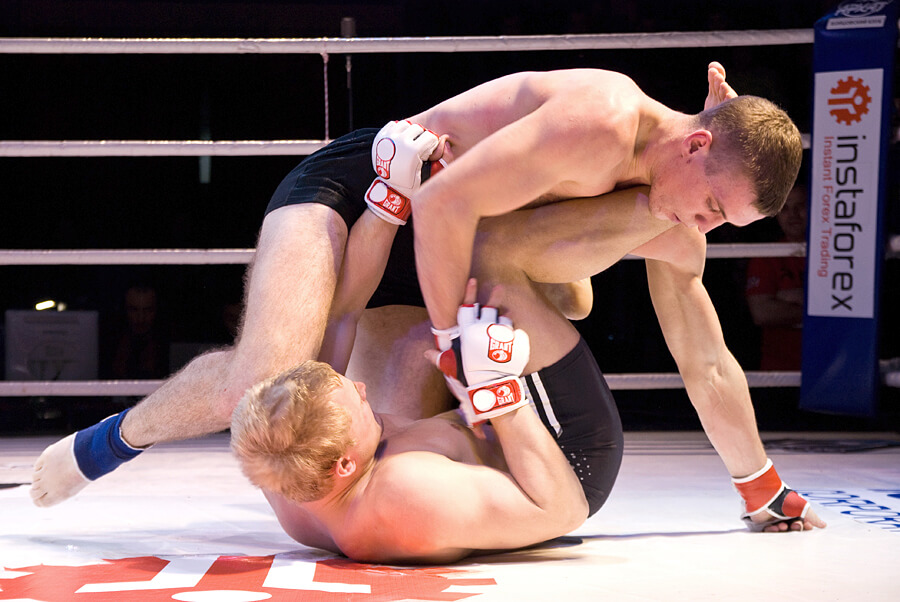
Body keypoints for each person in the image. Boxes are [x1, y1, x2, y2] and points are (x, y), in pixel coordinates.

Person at [31, 63, 812, 533]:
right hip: (369, 191)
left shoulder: (669, 210)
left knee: (389, 434)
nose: (706, 225)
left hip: (449, 249)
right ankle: (106, 444)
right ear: (696, 143)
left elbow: (706, 359)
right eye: (714, 206)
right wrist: (459, 350)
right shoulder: (602, 122)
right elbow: (439, 205)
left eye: (725, 222)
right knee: (260, 383)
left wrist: (761, 486)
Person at [232, 185, 822, 565]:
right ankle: (621, 244)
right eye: (356, 403)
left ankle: (554, 285)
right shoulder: (403, 498)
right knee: (489, 257)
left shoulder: (289, 471)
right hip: (567, 457)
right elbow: (562, 510)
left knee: (397, 326)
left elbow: (341, 315)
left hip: (481, 423)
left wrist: (386, 201)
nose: (360, 387)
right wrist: (500, 394)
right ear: (344, 465)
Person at [745, 184, 808, 370]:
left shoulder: (835, 255)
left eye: (800, 206)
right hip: (779, 370)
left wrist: (786, 301)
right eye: (785, 208)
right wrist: (817, 308)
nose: (793, 215)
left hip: (827, 366)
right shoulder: (766, 256)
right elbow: (762, 313)